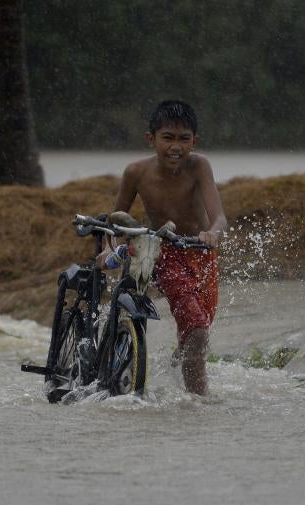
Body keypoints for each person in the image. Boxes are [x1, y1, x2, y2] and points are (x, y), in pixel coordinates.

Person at [104, 100, 227, 395]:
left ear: (194, 141)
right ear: (151, 139)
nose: (176, 147)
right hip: (166, 252)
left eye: (184, 139)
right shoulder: (136, 172)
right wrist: (109, 249)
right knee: (196, 329)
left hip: (201, 253)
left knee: (195, 334)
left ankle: (181, 373)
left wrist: (212, 234)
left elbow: (219, 218)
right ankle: (199, 403)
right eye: (167, 138)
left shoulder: (200, 166)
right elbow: (115, 221)